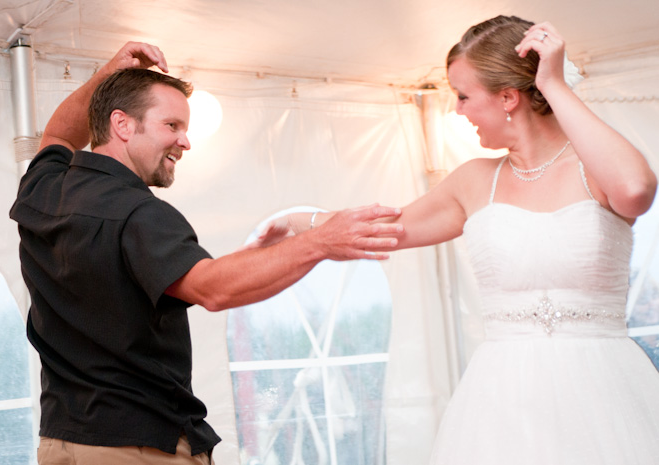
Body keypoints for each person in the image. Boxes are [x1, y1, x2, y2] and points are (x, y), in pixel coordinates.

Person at [269, 15, 659, 464]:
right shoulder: (474, 181)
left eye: (463, 96)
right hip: (502, 399)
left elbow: (635, 190)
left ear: (508, 97)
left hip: (604, 392)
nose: (457, 110)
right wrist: (299, 220)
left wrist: (554, 84)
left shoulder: (596, 167)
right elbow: (384, 229)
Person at [9, 42, 403, 465]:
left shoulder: (43, 188)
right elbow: (213, 289)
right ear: (121, 124)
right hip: (139, 449)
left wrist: (109, 74)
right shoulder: (142, 214)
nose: (185, 141)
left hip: (61, 444)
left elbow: (58, 135)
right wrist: (321, 242)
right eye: (172, 125)